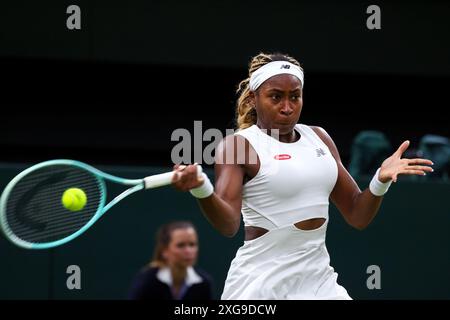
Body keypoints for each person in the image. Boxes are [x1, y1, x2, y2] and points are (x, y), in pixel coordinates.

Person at [171, 52, 434, 299]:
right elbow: (228, 224)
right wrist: (201, 188)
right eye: (275, 97)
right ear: (253, 98)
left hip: (319, 282)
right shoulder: (238, 145)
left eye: (294, 96)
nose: (287, 107)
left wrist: (380, 180)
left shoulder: (319, 137)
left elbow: (357, 214)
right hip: (260, 285)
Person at [128, 221, 213, 300]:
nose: (188, 251)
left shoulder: (204, 283)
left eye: (192, 245)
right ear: (164, 250)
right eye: (181, 245)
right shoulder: (147, 280)